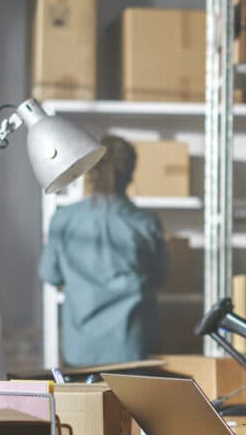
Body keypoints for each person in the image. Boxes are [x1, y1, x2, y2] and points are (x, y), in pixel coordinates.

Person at [38, 135, 168, 367]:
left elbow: (50, 274)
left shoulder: (63, 220)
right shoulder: (145, 222)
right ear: (129, 174)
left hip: (81, 348)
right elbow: (161, 277)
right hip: (130, 344)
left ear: (89, 172)